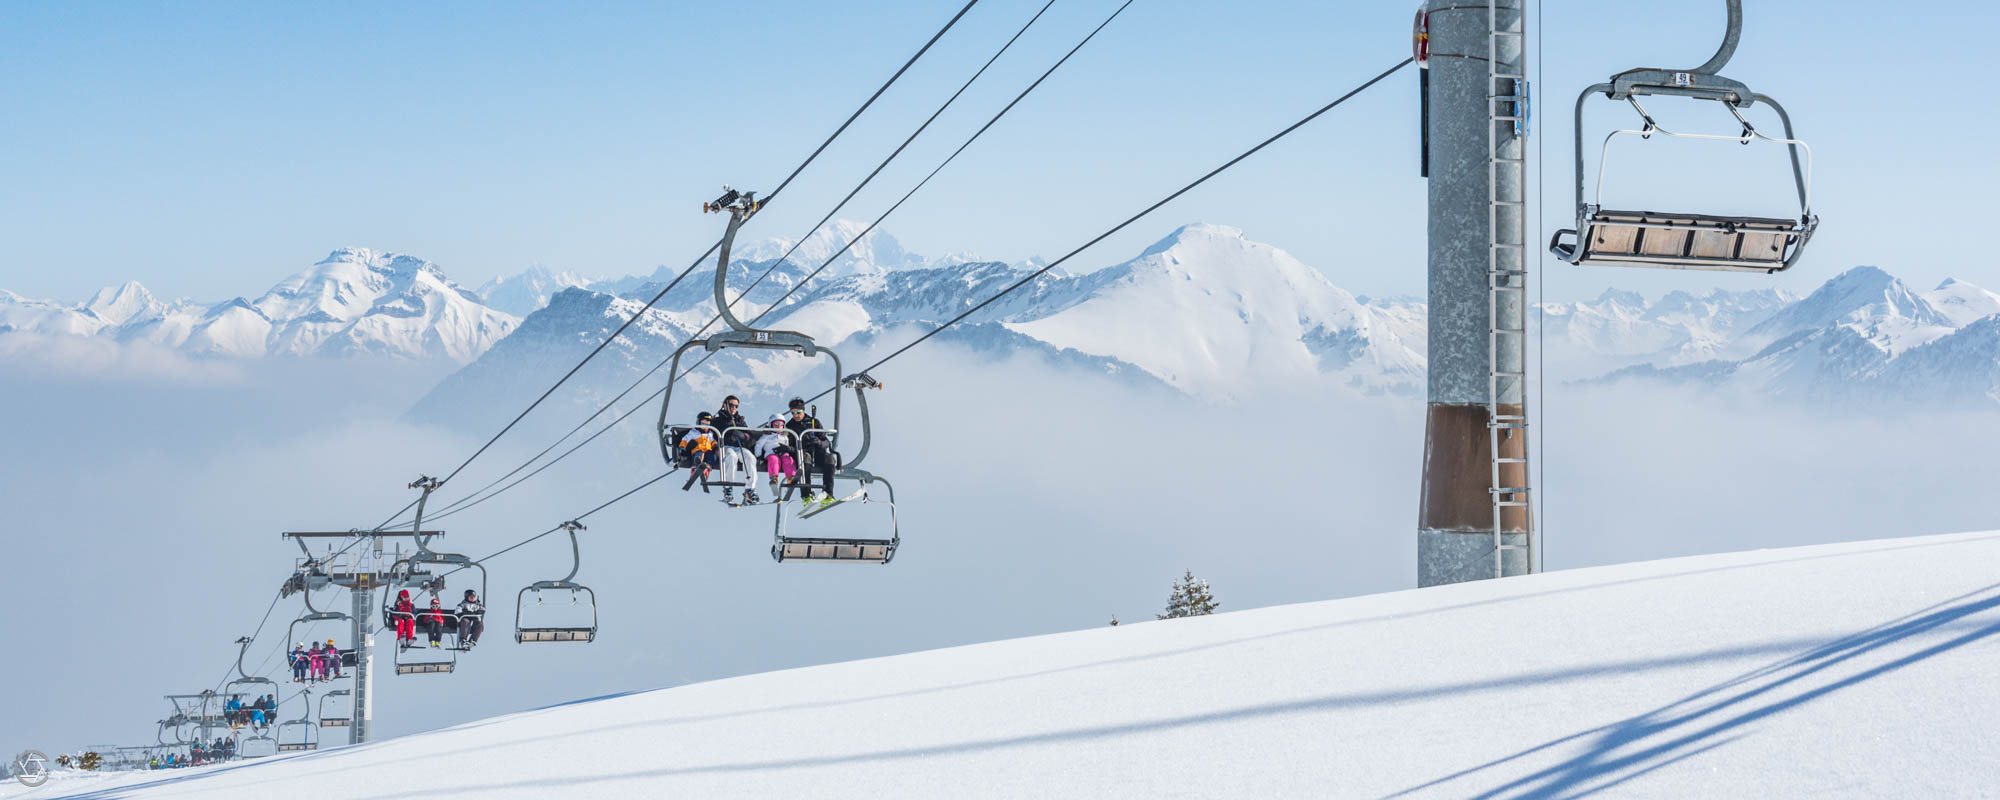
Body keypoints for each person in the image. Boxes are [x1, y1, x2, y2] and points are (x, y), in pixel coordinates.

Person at [784, 397, 838, 508]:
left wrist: (819, 442)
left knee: (830, 458)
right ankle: (806, 495)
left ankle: (828, 493)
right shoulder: (790, 426)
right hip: (801, 453)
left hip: (817, 452)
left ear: (803, 410)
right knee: (805, 457)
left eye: (798, 412)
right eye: (793, 413)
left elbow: (826, 441)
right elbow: (789, 444)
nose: (796, 415)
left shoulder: (814, 422)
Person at [712, 395, 757, 506]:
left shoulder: (739, 420)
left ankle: (749, 491)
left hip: (738, 447)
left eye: (736, 406)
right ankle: (728, 488)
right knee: (731, 456)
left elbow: (750, 436)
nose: (734, 408)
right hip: (725, 447)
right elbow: (712, 434)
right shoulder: (718, 419)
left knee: (750, 457)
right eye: (731, 405)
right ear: (725, 405)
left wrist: (743, 436)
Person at [753, 418, 795, 504]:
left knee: (788, 460)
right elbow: (759, 445)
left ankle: (790, 478)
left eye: (781, 425)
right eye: (776, 425)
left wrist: (785, 449)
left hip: (783, 453)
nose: (778, 427)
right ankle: (774, 479)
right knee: (774, 460)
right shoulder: (766, 436)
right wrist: (758, 455)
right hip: (771, 453)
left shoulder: (785, 437)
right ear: (771, 425)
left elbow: (787, 446)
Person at [679, 412, 720, 491]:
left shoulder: (710, 433)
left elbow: (713, 441)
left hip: (708, 450)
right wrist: (682, 447)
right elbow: (685, 439)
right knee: (699, 455)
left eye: (708, 424)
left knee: (712, 457)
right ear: (699, 423)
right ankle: (694, 468)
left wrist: (715, 445)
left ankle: (707, 469)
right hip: (698, 449)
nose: (705, 427)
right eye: (703, 424)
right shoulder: (693, 432)